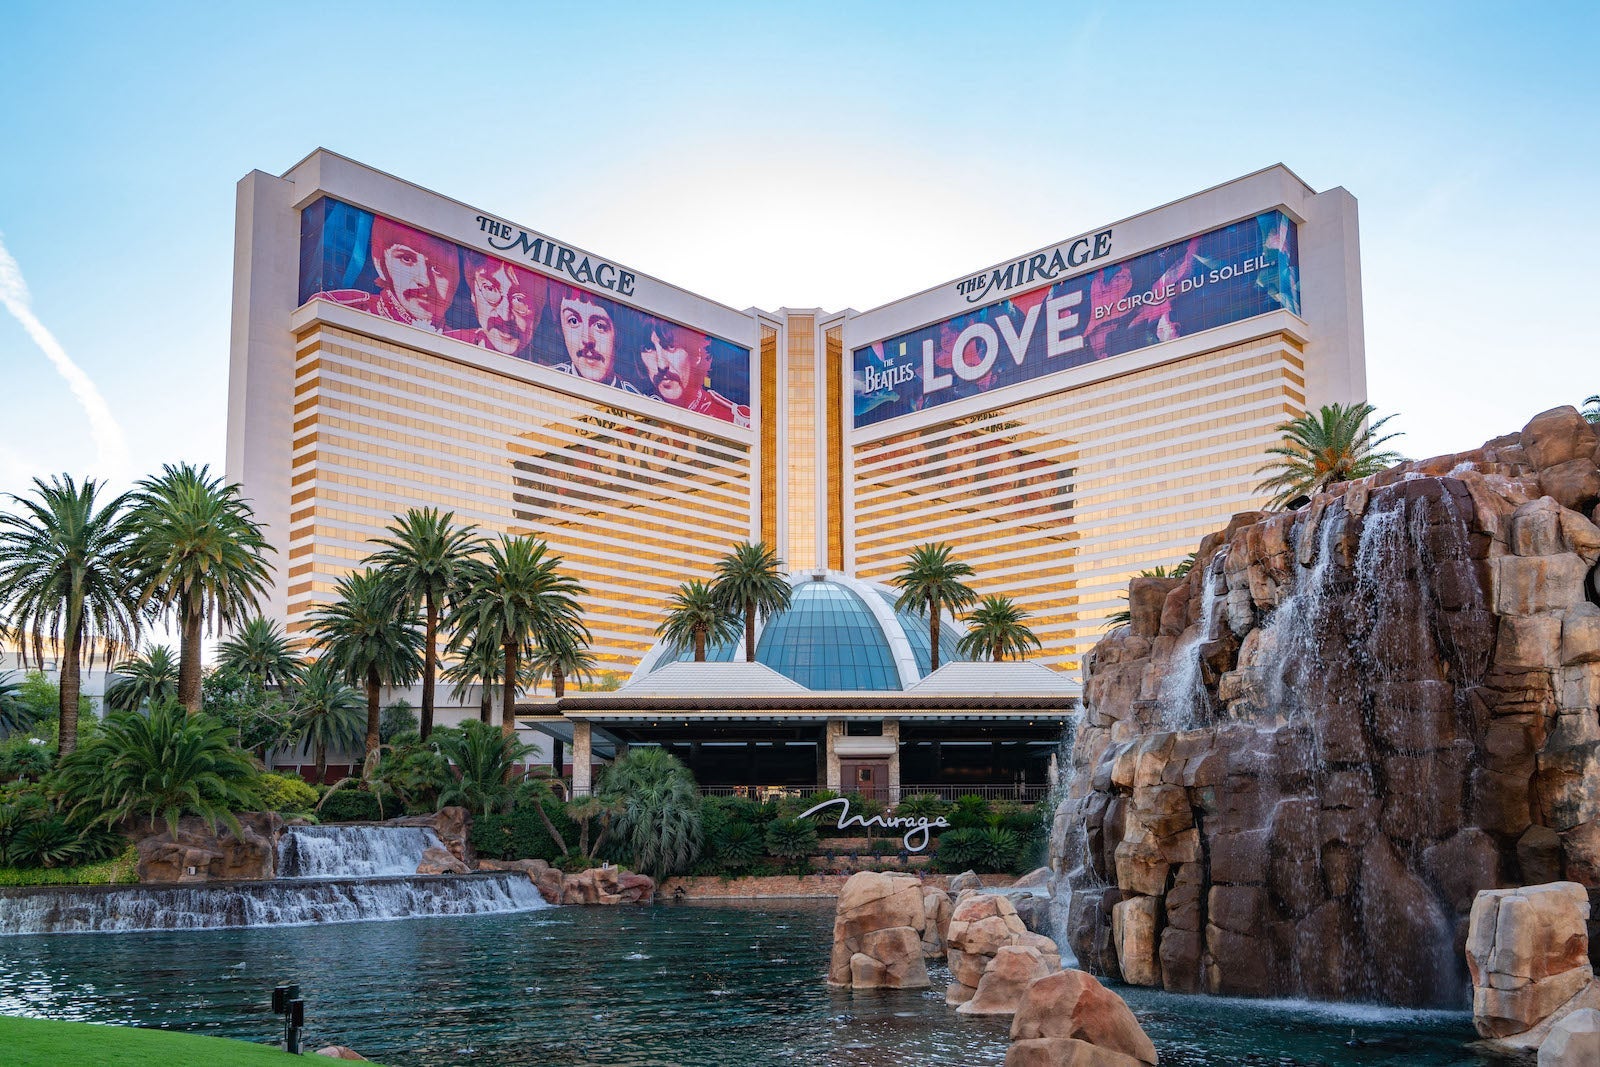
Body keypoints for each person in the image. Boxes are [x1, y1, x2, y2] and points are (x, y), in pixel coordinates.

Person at [310, 216, 459, 331]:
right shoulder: (339, 307)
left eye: (437, 268)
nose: (424, 280)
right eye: (407, 259)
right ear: (380, 263)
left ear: (456, 280)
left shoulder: (469, 342)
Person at [640, 319, 750, 427]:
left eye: (671, 346)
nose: (661, 365)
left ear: (696, 355)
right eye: (648, 348)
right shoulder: (636, 417)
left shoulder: (734, 420)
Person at [448, 251, 542, 357]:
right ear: (473, 295)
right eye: (490, 289)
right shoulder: (447, 347)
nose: (505, 315)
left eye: (519, 300)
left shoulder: (552, 371)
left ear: (538, 316)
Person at [550, 285, 639, 393]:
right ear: (561, 328)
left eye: (600, 326)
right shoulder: (545, 382)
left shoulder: (635, 399)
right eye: (573, 321)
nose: (587, 339)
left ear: (619, 336)